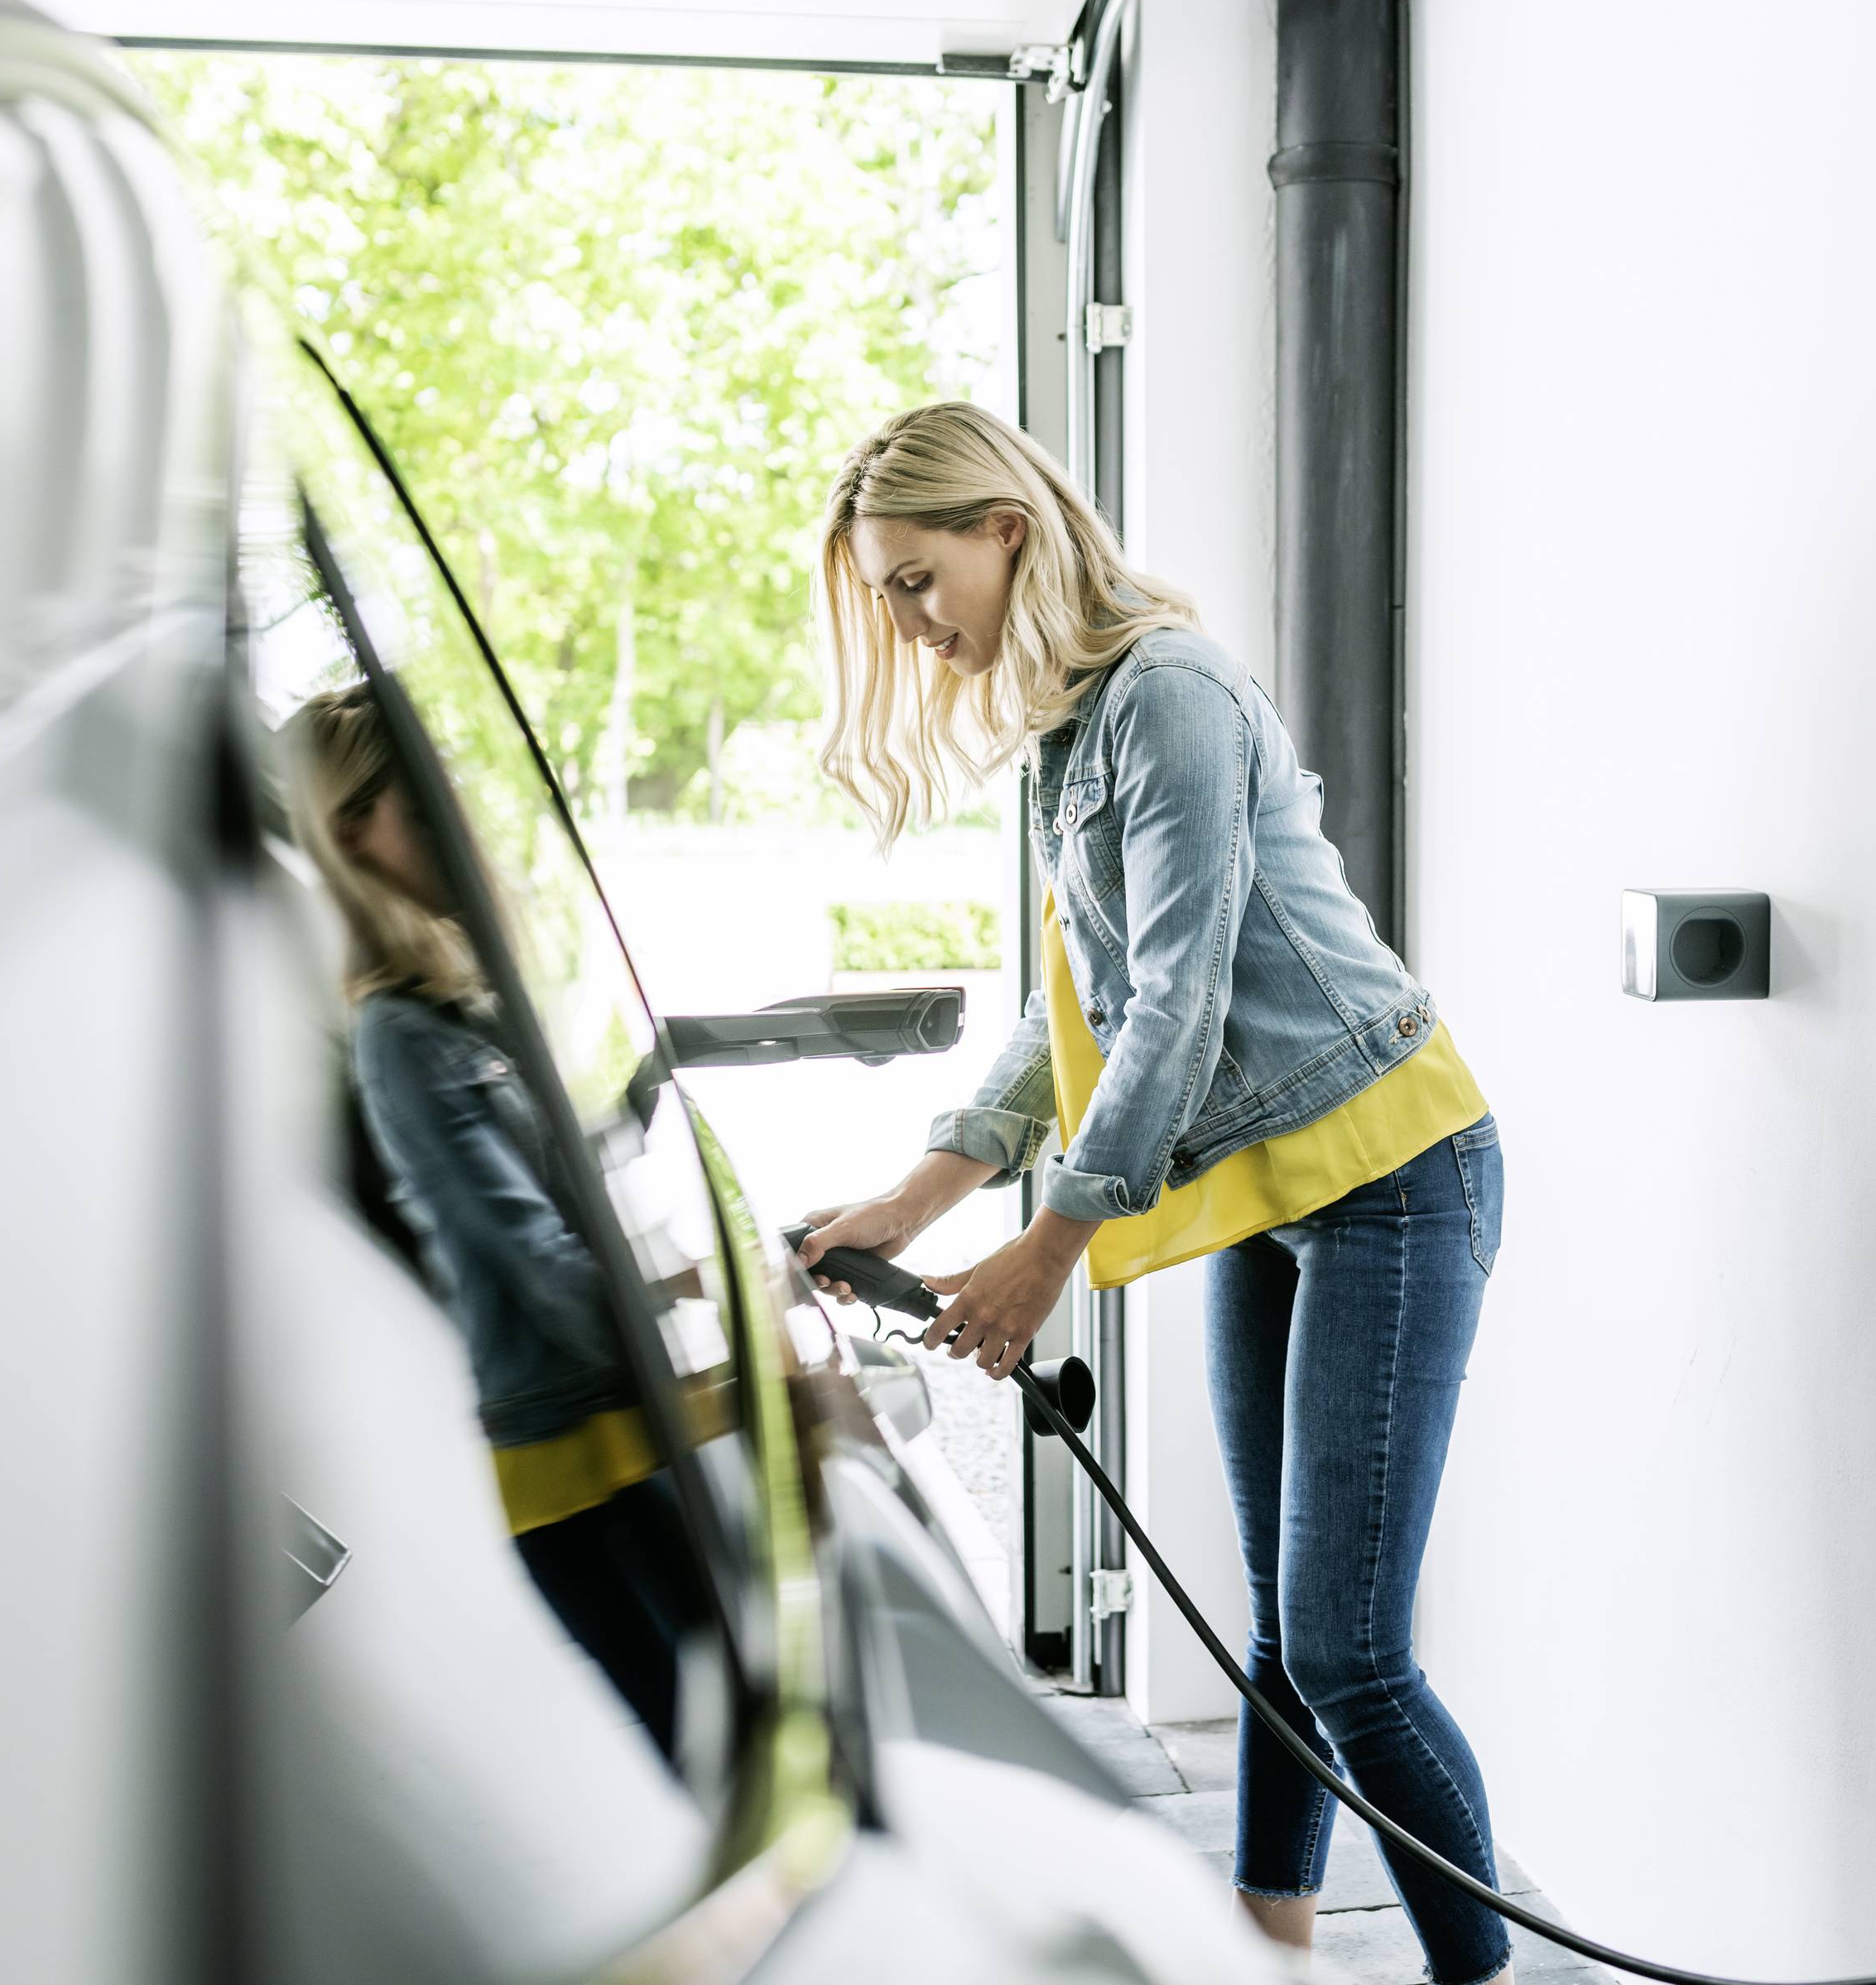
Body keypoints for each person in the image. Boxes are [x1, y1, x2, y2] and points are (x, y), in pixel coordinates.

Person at [795, 403, 1512, 1985]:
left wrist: (1048, 1250)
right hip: (1280, 1186)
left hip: (1398, 1173)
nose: (910, 627)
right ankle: (1271, 1946)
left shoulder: (1168, 696)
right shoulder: (1073, 726)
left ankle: (1484, 1974)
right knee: (1279, 1631)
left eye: (916, 582)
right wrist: (913, 1206)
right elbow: (1073, 1010)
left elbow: (1178, 1003)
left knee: (1349, 1655)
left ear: (1005, 531)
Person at [281, 684, 702, 1760]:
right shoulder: (399, 1035)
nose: (457, 821)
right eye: (419, 804)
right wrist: (693, 1334)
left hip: (609, 1426)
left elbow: (559, 1188)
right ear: (351, 835)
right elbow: (526, 1258)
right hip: (569, 1461)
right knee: (701, 1740)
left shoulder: (465, 1000)